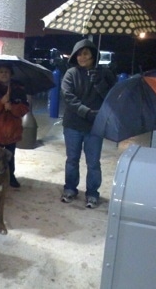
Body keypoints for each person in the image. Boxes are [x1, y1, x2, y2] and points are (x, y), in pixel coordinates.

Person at [60, 39, 116, 208]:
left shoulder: (104, 73)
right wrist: (87, 112)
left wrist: (99, 82)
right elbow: (68, 96)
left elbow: (110, 97)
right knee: (72, 159)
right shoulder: (71, 73)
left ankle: (92, 193)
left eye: (85, 53)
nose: (81, 57)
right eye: (79, 53)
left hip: (94, 127)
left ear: (93, 55)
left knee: (93, 162)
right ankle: (70, 189)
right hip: (73, 125)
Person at [0, 63, 29, 188]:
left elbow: (24, 108)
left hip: (12, 130)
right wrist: (0, 103)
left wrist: (12, 107)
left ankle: (10, 176)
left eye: (7, 72)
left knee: (10, 155)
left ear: (11, 75)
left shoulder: (19, 91)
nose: (4, 74)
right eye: (1, 72)